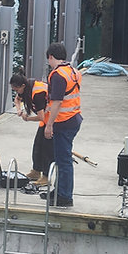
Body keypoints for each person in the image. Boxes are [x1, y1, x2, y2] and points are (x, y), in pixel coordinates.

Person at [41, 42, 82, 207]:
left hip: (63, 122)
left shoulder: (58, 75)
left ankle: (64, 196)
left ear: (51, 57)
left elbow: (57, 102)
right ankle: (59, 191)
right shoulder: (72, 71)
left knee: (63, 160)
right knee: (61, 158)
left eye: (48, 59)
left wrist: (49, 125)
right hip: (74, 118)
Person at [9, 72, 52, 186]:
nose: (16, 92)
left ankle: (46, 177)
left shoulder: (37, 94)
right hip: (45, 120)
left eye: (16, 89)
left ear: (22, 86)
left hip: (52, 120)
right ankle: (36, 171)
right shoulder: (26, 88)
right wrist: (19, 110)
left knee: (47, 149)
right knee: (37, 145)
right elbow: (17, 100)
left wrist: (28, 119)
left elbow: (41, 116)